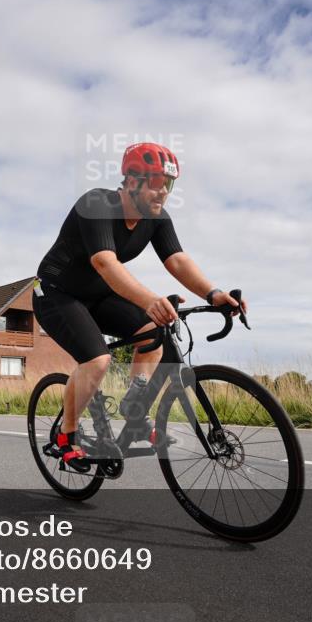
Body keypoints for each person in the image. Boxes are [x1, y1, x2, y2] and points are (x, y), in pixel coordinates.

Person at [33, 142, 247, 470]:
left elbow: (177, 259)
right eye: (157, 183)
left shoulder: (156, 219)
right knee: (98, 360)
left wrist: (213, 293)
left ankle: (135, 411)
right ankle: (65, 436)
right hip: (57, 292)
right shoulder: (97, 204)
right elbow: (105, 263)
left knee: (153, 334)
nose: (163, 192)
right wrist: (150, 300)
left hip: (99, 295)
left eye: (169, 185)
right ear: (132, 182)